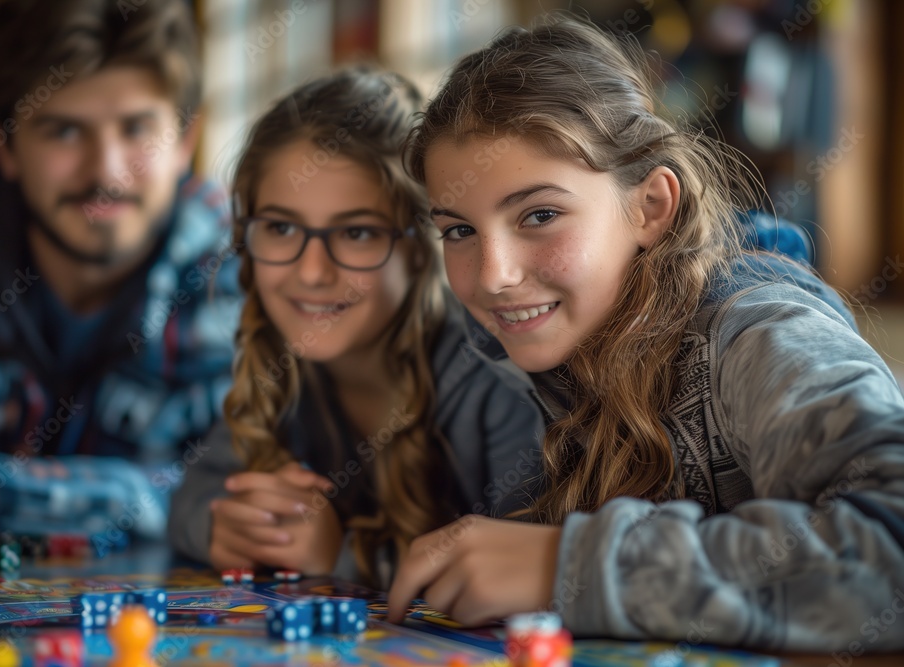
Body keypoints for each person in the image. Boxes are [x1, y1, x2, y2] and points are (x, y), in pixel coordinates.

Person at [386, 17, 904, 653]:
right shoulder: (509, 354)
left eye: (540, 215)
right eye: (459, 231)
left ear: (651, 207)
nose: (494, 277)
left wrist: (566, 568)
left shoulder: (760, 332)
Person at [168, 66, 544, 588]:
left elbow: (524, 572)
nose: (313, 272)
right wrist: (220, 525)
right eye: (279, 228)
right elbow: (194, 491)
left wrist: (339, 557)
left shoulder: (496, 382)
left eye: (357, 233)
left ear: (420, 248)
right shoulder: (284, 368)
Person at [0, 0, 240, 543]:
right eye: (63, 132)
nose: (105, 172)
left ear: (185, 140)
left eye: (136, 130)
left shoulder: (254, 272)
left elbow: (234, 497)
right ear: (3, 144)